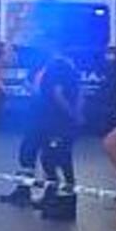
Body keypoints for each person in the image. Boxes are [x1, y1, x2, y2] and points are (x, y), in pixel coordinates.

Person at [34, 46, 84, 221]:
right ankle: (55, 200)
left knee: (53, 160)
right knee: (61, 161)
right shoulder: (72, 68)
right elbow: (79, 94)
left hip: (55, 123)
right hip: (62, 123)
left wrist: (70, 114)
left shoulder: (57, 67)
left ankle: (58, 204)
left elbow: (58, 94)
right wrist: (77, 115)